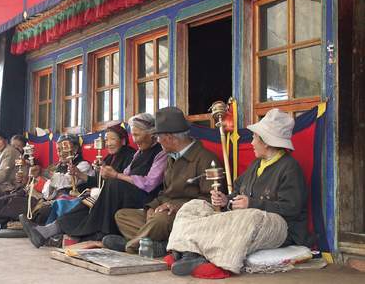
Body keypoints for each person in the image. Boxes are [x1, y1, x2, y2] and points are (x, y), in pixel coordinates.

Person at [166, 109, 309, 276]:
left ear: (267, 142)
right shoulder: (256, 165)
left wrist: (252, 204)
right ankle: (185, 250)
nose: (252, 143)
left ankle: (220, 262)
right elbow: (237, 193)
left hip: (282, 229)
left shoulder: (290, 168)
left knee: (249, 216)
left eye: (255, 138)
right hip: (246, 218)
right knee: (194, 206)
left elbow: (292, 208)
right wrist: (226, 200)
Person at [21, 118, 167, 247]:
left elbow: (149, 184)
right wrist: (99, 173)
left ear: (152, 134)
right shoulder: (137, 154)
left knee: (111, 186)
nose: (135, 140)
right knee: (88, 200)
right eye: (106, 140)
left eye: (137, 135)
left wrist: (115, 175)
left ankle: (99, 233)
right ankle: (48, 230)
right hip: (117, 193)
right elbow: (120, 176)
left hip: (144, 198)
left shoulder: (158, 153)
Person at [104, 107, 221, 257]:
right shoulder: (172, 157)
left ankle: (132, 245)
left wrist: (176, 206)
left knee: (160, 220)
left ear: (170, 138)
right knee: (123, 216)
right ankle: (160, 245)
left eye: (158, 137)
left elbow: (209, 200)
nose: (157, 141)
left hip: (186, 215)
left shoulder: (205, 159)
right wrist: (151, 207)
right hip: (164, 211)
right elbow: (164, 193)